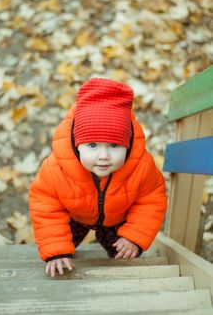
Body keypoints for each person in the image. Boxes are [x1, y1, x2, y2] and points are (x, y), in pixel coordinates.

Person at [29, 78, 167, 277]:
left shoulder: (142, 167)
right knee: (61, 249)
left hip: (117, 220)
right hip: (74, 216)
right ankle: (62, 254)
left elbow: (151, 200)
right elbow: (45, 203)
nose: (104, 156)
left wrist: (135, 237)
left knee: (124, 258)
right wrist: (55, 248)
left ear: (128, 144)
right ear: (76, 143)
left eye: (114, 145)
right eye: (92, 145)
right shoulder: (55, 168)